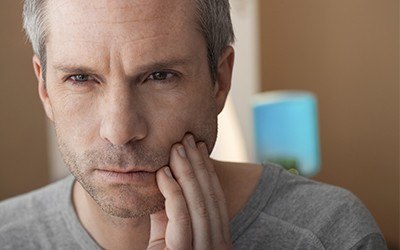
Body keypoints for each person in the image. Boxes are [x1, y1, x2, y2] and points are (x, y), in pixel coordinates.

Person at [0, 0, 387, 249]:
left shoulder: (329, 235)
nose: (119, 130)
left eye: (160, 76)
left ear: (220, 80)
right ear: (45, 88)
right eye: (81, 79)